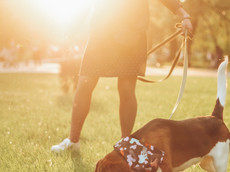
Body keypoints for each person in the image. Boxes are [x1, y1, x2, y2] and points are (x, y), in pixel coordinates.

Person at [51, 0, 193, 152]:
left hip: (132, 33)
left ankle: (125, 146)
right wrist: (72, 27)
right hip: (102, 32)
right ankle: (73, 142)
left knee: (126, 89)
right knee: (85, 83)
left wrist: (183, 14)